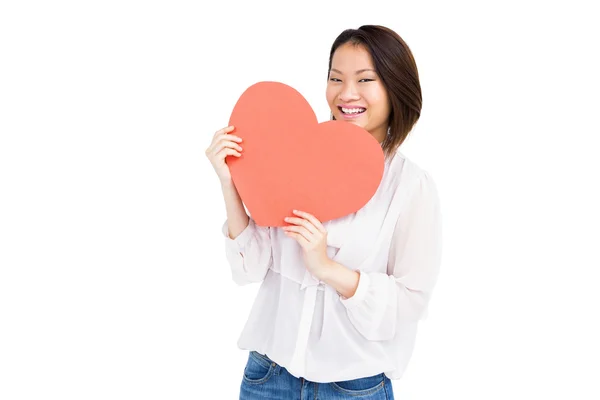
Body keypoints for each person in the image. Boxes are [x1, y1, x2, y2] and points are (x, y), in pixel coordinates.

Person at [205, 25, 443, 400]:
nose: (347, 94)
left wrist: (327, 269)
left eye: (365, 79)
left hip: (355, 388)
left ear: (395, 88)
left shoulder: (411, 187)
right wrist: (229, 183)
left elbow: (409, 301)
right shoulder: (289, 155)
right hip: (268, 378)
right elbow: (248, 270)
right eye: (336, 78)